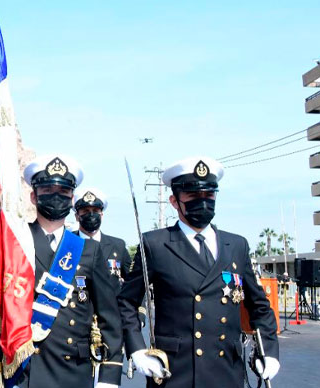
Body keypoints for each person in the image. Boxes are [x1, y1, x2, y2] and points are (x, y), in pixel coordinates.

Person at [0, 154, 123, 388]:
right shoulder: (14, 241)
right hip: (24, 371)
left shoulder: (89, 249)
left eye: (63, 191)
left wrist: (109, 378)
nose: (55, 197)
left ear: (71, 199)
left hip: (73, 373)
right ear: (33, 196)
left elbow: (109, 317)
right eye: (47, 190)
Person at [118, 157, 280, 387]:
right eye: (194, 196)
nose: (203, 202)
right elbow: (126, 302)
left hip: (227, 371)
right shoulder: (156, 244)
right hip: (175, 371)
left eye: (209, 195)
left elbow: (259, 306)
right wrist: (136, 349)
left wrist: (269, 351)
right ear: (175, 201)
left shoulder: (236, 246)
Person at [73, 187, 132, 287]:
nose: (91, 215)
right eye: (85, 211)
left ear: (101, 215)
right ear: (77, 216)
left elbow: (131, 284)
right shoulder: (66, 243)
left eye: (95, 210)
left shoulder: (118, 246)